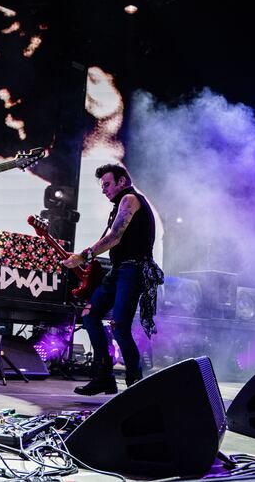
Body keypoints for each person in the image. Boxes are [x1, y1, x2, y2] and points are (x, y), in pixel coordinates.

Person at [62, 163, 163, 395]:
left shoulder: (129, 199)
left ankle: (135, 384)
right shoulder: (120, 204)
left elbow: (115, 237)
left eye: (107, 184)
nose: (104, 189)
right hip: (118, 270)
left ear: (122, 181)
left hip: (133, 269)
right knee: (89, 315)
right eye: (103, 185)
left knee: (119, 327)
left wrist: (83, 256)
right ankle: (104, 377)